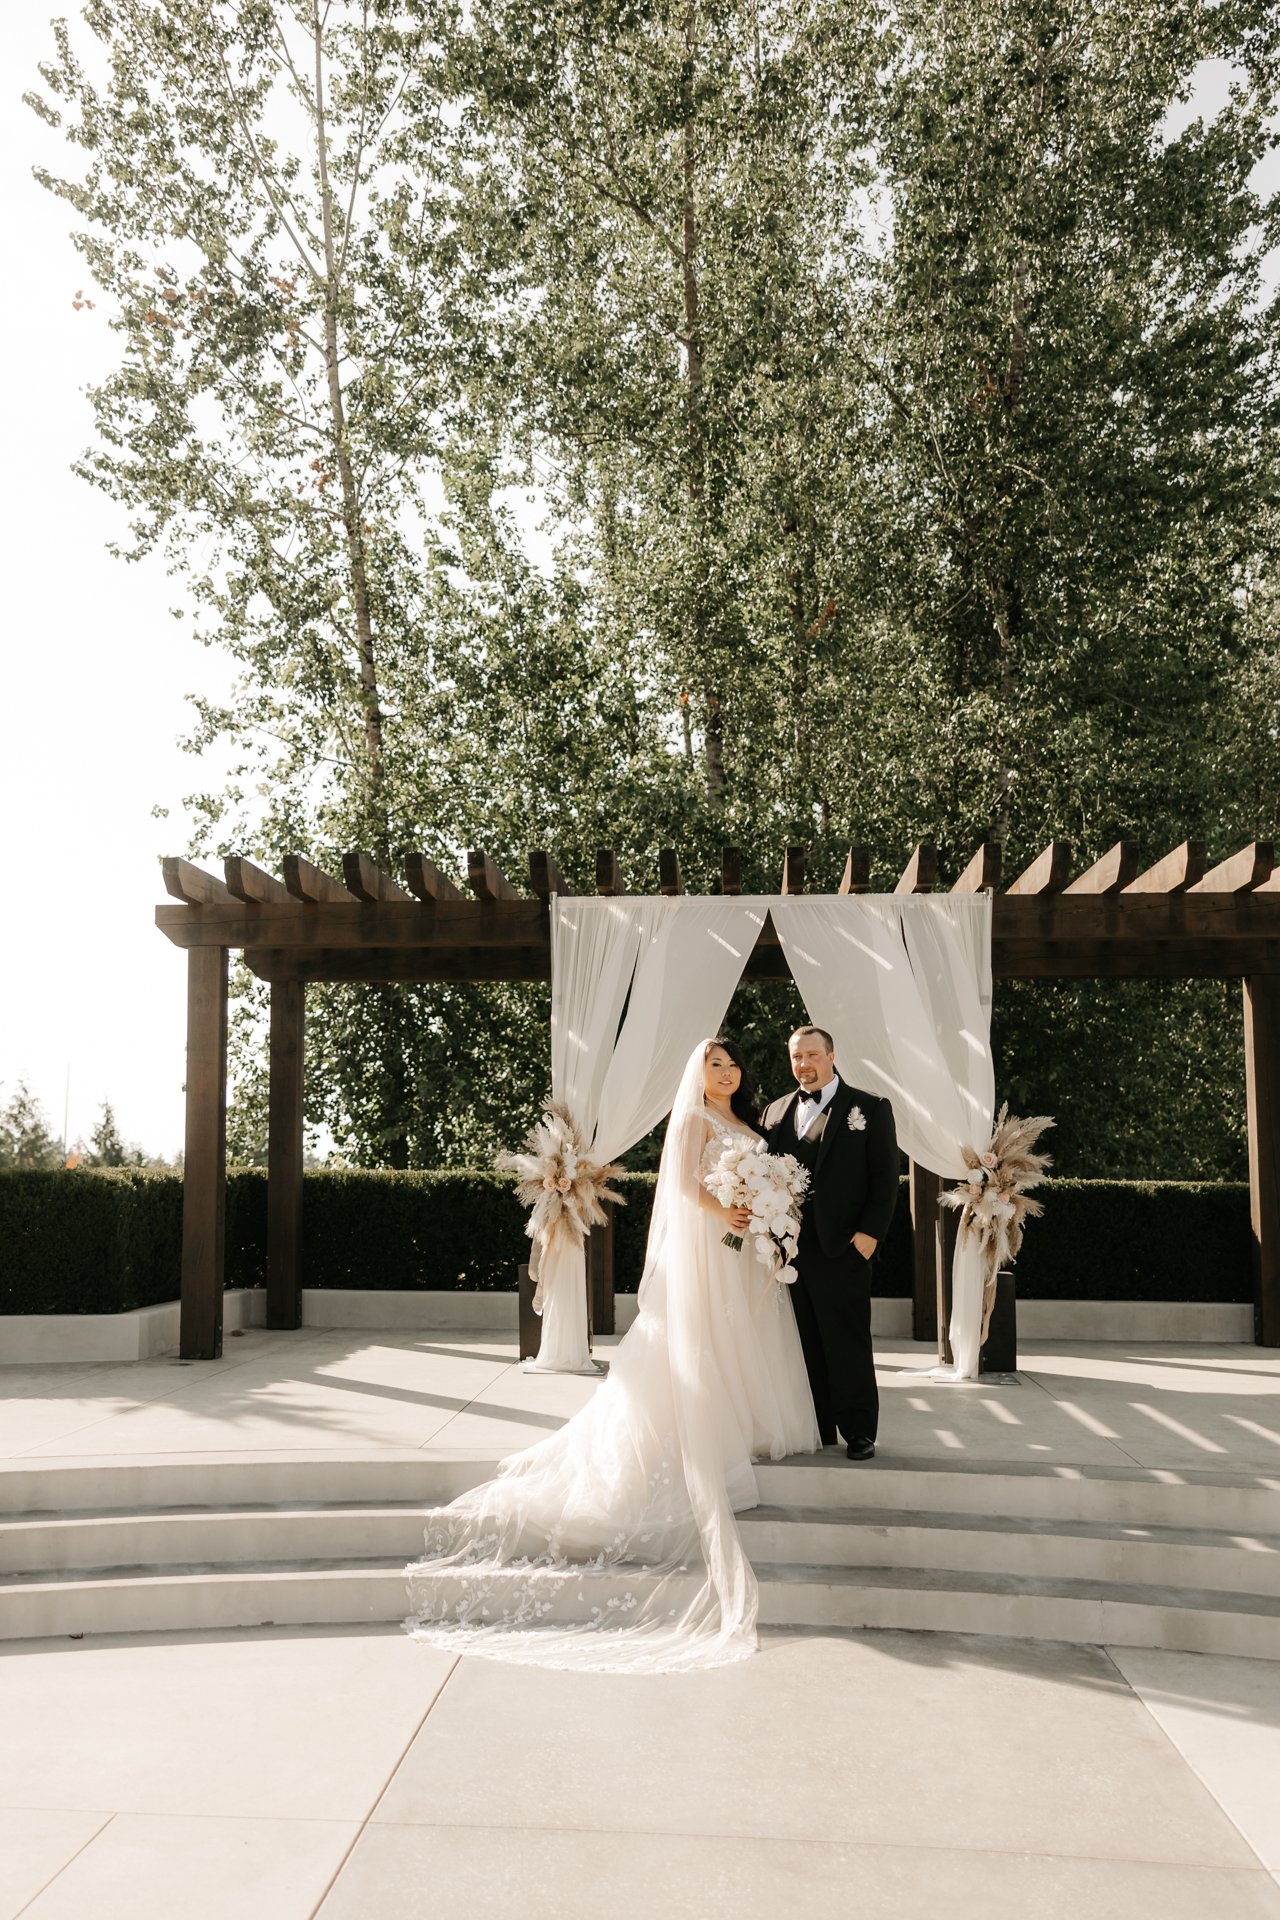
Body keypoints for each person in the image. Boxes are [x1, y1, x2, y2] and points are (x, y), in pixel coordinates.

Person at [402, 1037, 820, 1673]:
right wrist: (727, 1210)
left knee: (746, 1336)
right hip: (710, 1243)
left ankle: (750, 1423)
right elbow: (682, 1185)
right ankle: (710, 1431)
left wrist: (764, 1205)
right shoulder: (693, 1119)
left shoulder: (749, 1121)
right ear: (697, 1074)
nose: (726, 1072)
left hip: (743, 1249)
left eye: (732, 1063)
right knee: (701, 1341)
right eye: (714, 1064)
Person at [761, 1026, 900, 1461]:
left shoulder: (870, 1108)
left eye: (812, 1055)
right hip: (791, 1251)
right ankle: (817, 1426)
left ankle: (859, 1430)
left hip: (845, 1247)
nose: (804, 1064)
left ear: (832, 1055)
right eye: (796, 1057)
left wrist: (870, 1236)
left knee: (848, 1340)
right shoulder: (775, 1112)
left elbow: (884, 1178)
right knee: (803, 1342)